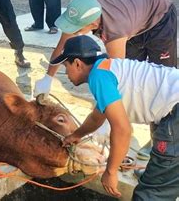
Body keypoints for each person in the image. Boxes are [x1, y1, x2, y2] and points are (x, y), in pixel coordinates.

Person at [56, 35, 179, 200]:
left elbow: (123, 129)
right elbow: (97, 117)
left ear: (77, 63)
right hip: (173, 103)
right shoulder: (108, 68)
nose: (66, 73)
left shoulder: (99, 77)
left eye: (66, 66)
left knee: (150, 194)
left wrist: (110, 171)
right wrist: (76, 135)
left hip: (175, 111)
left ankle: (159, 178)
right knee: (165, 171)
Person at [34, 0, 177, 99]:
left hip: (160, 16)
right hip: (134, 19)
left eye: (77, 28)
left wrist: (107, 119)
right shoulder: (84, 10)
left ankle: (167, 124)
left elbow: (116, 75)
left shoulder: (114, 31)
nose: (73, 32)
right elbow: (61, 48)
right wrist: (47, 78)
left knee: (162, 77)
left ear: (93, 24)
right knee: (133, 73)